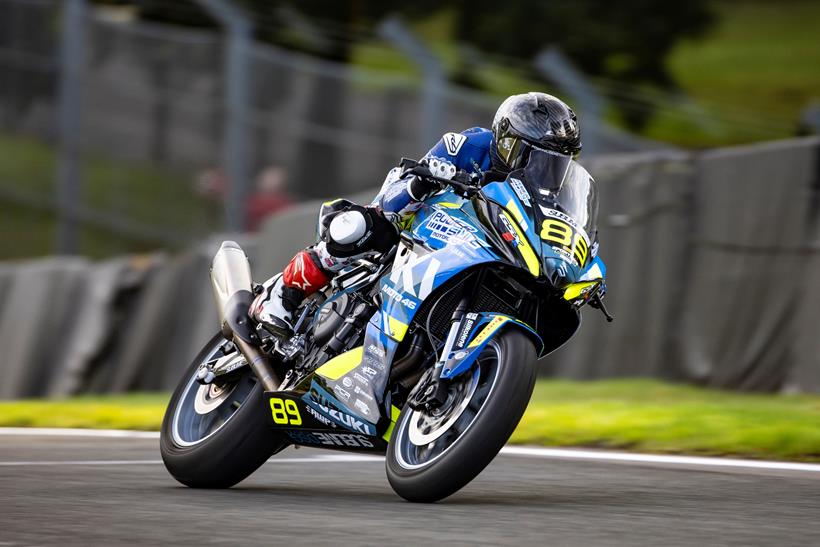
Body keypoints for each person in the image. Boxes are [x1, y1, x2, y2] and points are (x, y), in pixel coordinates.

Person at [251, 92, 583, 337]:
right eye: (531, 156)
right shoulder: (466, 145)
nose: (540, 170)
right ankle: (284, 294)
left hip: (478, 247)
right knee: (362, 228)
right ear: (506, 139)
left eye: (553, 163)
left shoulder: (550, 194)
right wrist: (423, 182)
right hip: (425, 218)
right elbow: (405, 184)